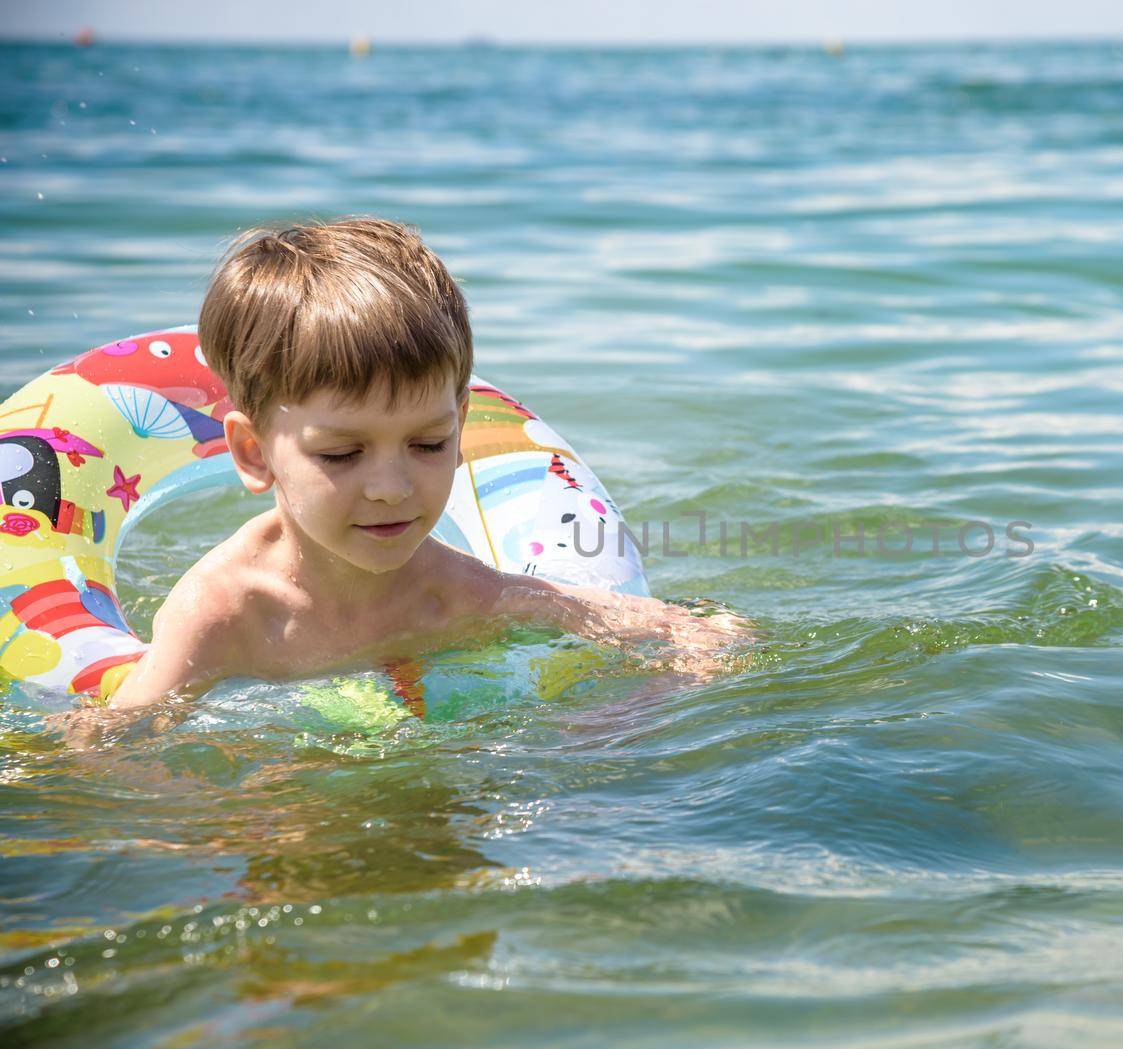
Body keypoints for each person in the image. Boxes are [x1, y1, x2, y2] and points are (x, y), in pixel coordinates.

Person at [99, 217, 748, 712]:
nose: (392, 487)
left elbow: (589, 611)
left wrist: (693, 635)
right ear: (252, 452)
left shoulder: (450, 591)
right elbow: (119, 742)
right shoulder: (226, 616)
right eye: (342, 453)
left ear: (461, 426)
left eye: (428, 443)